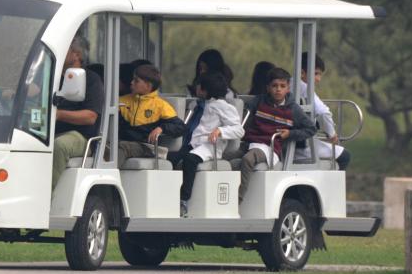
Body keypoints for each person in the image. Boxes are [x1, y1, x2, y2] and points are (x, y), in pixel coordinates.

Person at [238, 67, 315, 202]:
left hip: (270, 147)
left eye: (282, 86)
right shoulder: (259, 101)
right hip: (250, 143)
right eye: (274, 86)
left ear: (288, 88)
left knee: (247, 160)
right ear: (268, 88)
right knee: (224, 158)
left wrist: (290, 133)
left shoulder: (293, 109)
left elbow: (310, 128)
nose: (278, 89)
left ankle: (239, 199)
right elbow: (245, 114)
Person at [177, 72, 244, 217]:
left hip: (210, 147)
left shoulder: (224, 107)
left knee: (189, 160)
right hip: (195, 144)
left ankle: (184, 200)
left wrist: (220, 130)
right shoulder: (200, 104)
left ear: (205, 90)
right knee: (173, 157)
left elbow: (239, 130)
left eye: (199, 86)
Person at [52, 36, 105, 189]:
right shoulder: (52, 77)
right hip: (48, 131)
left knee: (60, 145)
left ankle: (45, 197)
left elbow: (90, 117)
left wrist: (59, 114)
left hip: (80, 136)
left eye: (65, 48)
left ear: (77, 55)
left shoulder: (92, 80)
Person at [117, 64, 186, 168]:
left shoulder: (160, 105)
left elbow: (180, 126)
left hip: (146, 147)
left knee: (120, 148)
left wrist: (161, 128)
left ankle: (106, 178)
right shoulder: (122, 100)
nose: (131, 83)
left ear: (148, 86)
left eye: (136, 81)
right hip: (121, 142)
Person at [296, 53, 351, 170]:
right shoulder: (305, 88)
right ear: (302, 72)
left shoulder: (287, 84)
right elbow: (322, 113)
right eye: (316, 74)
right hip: (300, 146)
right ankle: (333, 187)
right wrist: (331, 134)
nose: (318, 79)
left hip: (286, 141)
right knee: (344, 156)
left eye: (320, 74)